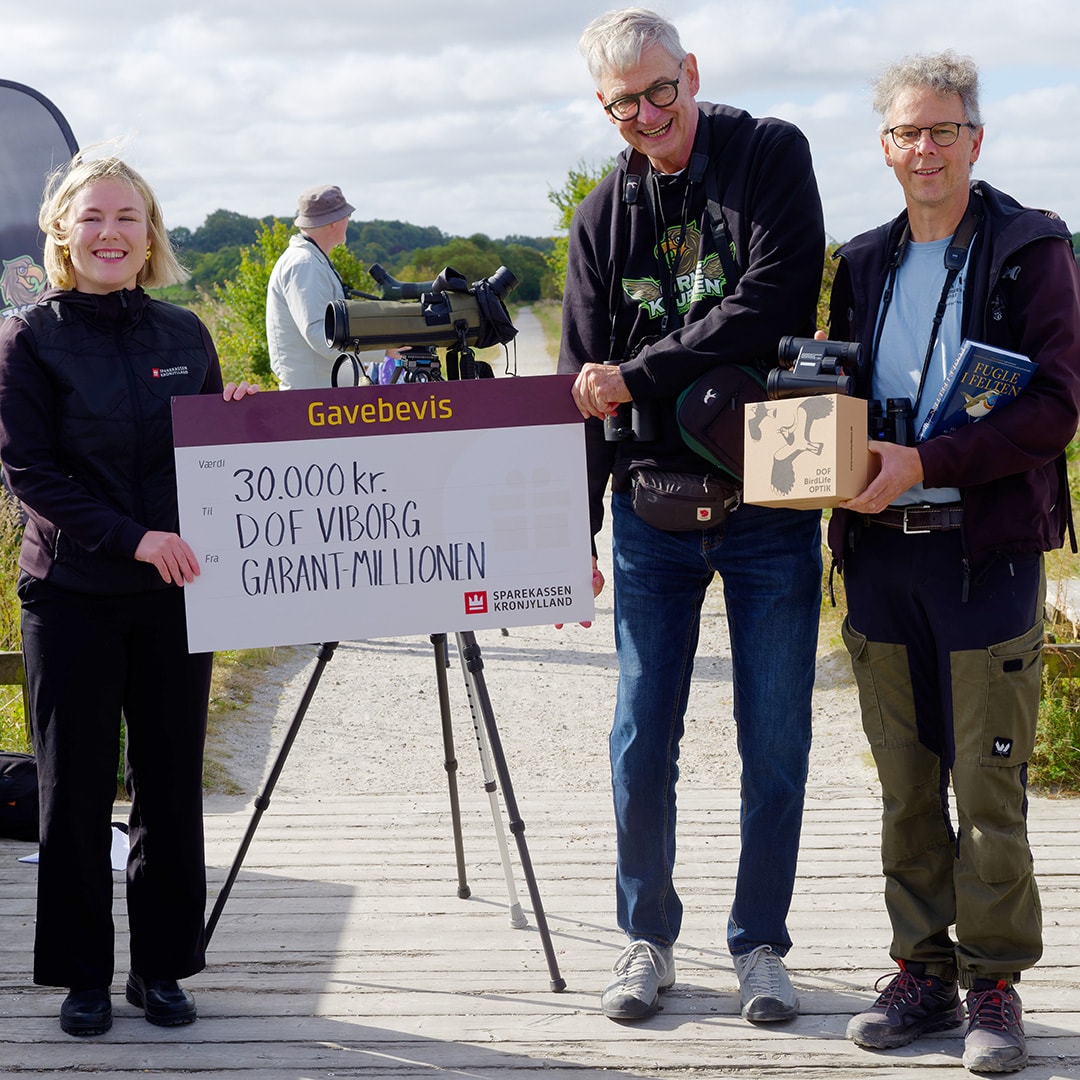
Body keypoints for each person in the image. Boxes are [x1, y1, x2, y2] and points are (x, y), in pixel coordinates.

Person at [558, 8, 826, 1024]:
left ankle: (761, 943)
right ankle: (644, 938)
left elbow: (773, 297)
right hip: (650, 505)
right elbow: (580, 383)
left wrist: (638, 373)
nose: (648, 114)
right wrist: (569, 529)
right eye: (625, 102)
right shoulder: (598, 218)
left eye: (661, 90)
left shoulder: (767, 154)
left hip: (772, 486)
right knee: (639, 737)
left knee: (776, 734)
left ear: (692, 75)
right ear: (605, 107)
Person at [827, 51, 1080, 1074]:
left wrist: (928, 459)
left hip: (986, 558)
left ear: (977, 139)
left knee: (988, 784)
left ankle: (996, 984)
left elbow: (1058, 405)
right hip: (880, 556)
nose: (923, 149)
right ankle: (921, 972)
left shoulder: (1032, 249)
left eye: (942, 130)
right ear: (884, 148)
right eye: (905, 133)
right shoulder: (863, 259)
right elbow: (836, 391)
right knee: (904, 781)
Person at [0, 151, 259, 1037]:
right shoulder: (28, 338)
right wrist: (133, 537)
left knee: (169, 782)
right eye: (94, 218)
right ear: (63, 232)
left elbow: (200, 452)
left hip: (175, 596)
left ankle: (161, 969)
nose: (112, 234)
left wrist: (238, 417)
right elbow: (30, 471)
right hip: (72, 592)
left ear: (151, 234)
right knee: (74, 790)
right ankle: (80, 976)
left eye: (128, 218)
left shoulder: (184, 333)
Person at [266, 183, 378, 390]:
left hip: (319, 394)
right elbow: (321, 336)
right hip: (313, 400)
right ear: (334, 222)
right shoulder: (305, 264)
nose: (348, 222)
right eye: (347, 216)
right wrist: (382, 351)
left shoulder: (310, 260)